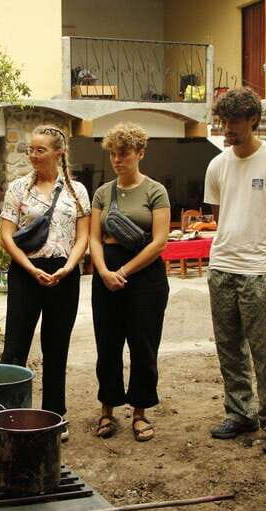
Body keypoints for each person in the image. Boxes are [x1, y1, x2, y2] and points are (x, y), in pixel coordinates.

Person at [204, 87, 266, 455]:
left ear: (253, 119)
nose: (228, 128)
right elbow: (220, 216)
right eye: (224, 121)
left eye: (234, 121)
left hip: (259, 271)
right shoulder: (218, 165)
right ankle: (240, 412)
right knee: (229, 348)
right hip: (222, 268)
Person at [0, 125, 91, 441]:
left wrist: (68, 267)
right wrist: (29, 268)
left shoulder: (77, 191)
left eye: (40, 150)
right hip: (26, 272)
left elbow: (83, 236)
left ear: (58, 152)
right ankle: (7, 414)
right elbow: (7, 236)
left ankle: (54, 415)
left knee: (56, 346)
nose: (33, 156)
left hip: (64, 273)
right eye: (31, 150)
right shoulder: (18, 188)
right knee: (15, 345)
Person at [90, 122, 170, 442]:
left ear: (140, 153)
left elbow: (159, 242)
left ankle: (140, 411)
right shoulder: (102, 192)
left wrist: (123, 271)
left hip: (145, 274)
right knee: (107, 343)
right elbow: (94, 239)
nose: (117, 159)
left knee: (143, 344)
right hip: (106, 272)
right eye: (113, 153)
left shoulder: (155, 191)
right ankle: (107, 409)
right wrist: (103, 271)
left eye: (123, 153)